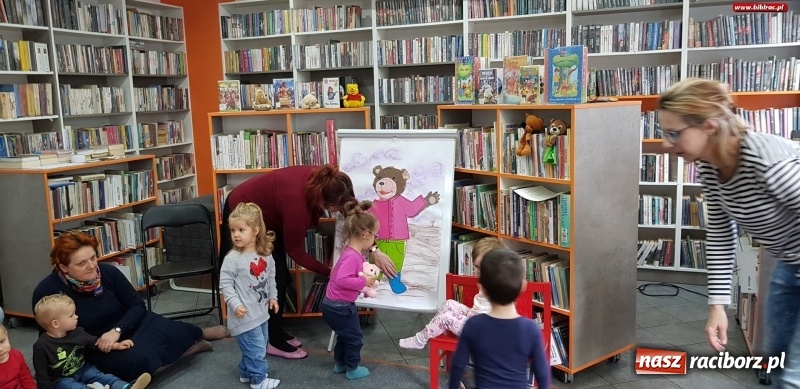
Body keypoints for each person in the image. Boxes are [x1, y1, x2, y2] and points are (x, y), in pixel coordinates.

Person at [657, 78, 800, 387]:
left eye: (674, 133)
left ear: (709, 126)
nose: (666, 144)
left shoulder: (766, 160)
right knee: (778, 365)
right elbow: (721, 236)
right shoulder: (709, 167)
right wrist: (717, 306)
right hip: (789, 263)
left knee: (792, 375)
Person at [219, 165, 397, 359]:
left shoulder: (332, 183)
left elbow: (356, 220)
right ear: (322, 201)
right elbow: (296, 252)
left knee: (280, 278)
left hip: (269, 216)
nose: (335, 212)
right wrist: (332, 273)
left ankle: (275, 332)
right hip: (244, 216)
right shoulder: (297, 207)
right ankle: (273, 341)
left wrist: (374, 249)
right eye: (333, 209)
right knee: (273, 279)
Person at [31, 231, 230, 382]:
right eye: (81, 263)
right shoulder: (47, 291)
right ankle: (187, 351)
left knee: (174, 331)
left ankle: (199, 333)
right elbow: (50, 335)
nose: (91, 266)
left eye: (93, 258)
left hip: (128, 323)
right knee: (134, 361)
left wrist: (117, 330)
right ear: (63, 267)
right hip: (94, 343)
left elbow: (136, 305)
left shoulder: (107, 272)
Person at [448, 248, 550, 389]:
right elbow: (542, 372)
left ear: (482, 289)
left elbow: (458, 364)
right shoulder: (530, 329)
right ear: (523, 286)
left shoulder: (473, 325)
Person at [399, 237, 505, 349]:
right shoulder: (486, 281)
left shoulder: (497, 284)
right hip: (475, 319)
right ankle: (429, 331)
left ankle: (420, 340)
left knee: (445, 318)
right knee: (449, 303)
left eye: (482, 268)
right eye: (476, 267)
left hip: (481, 333)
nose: (477, 272)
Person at [219, 203, 281, 389]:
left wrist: (273, 297)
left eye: (241, 230)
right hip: (244, 316)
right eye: (233, 230)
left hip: (260, 312)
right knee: (256, 349)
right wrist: (235, 304)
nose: (236, 235)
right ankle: (258, 380)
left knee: (259, 345)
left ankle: (247, 372)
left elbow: (271, 278)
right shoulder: (232, 258)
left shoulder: (265, 254)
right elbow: (225, 284)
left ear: (255, 230)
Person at [32, 294, 151, 389]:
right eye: (71, 315)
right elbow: (41, 374)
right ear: (55, 323)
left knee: (101, 376)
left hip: (83, 368)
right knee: (71, 387)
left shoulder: (77, 332)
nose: (76, 317)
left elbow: (95, 343)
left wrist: (116, 345)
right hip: (61, 378)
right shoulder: (41, 346)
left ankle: (124, 386)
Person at [321, 200, 379, 380]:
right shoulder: (352, 256)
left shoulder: (351, 252)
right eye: (375, 235)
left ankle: (340, 364)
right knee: (355, 339)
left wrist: (362, 286)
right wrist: (364, 281)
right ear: (366, 235)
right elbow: (341, 279)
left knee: (344, 336)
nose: (374, 239)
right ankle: (352, 369)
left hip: (334, 305)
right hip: (340, 307)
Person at [0, 324, 37, 389]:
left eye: (2, 341)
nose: (1, 349)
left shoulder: (16, 355)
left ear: (7, 335)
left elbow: (26, 378)